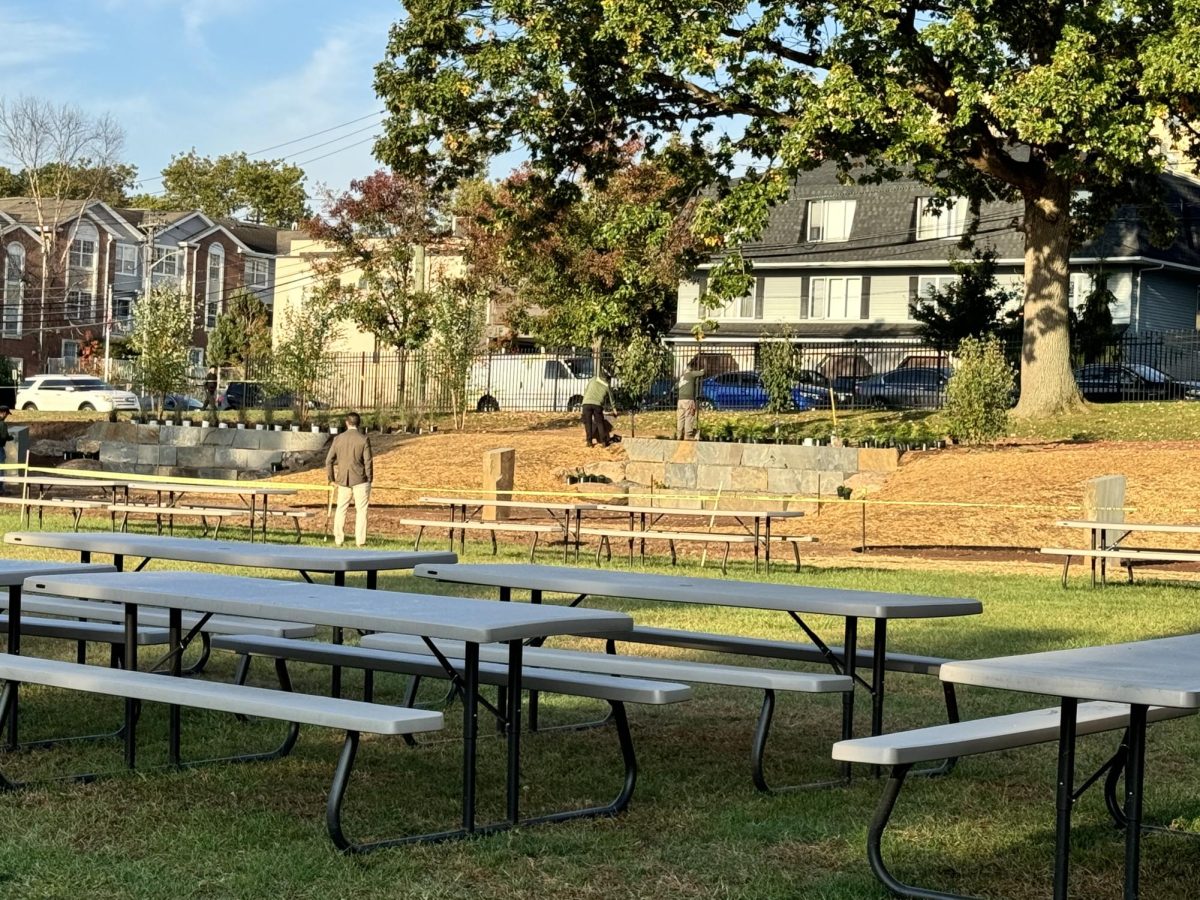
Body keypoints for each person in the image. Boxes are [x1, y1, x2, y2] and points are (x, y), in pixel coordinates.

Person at [325, 411, 373, 547]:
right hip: (360, 479)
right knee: (362, 510)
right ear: (359, 424)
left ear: (346, 423)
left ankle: (338, 539)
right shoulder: (363, 439)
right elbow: (368, 461)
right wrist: (369, 478)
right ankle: (360, 541)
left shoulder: (338, 439)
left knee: (341, 509)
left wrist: (331, 478)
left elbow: (329, 460)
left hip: (342, 480)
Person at [580, 370, 616, 447]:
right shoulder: (606, 385)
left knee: (588, 423)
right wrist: (614, 409)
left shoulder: (593, 379)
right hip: (597, 404)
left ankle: (589, 442)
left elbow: (586, 390)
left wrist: (584, 401)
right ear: (607, 378)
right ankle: (603, 442)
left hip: (586, 403)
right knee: (600, 422)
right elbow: (611, 397)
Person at [676, 365, 704, 440]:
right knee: (689, 416)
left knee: (680, 417)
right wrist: (701, 370)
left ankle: (679, 434)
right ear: (690, 370)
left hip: (680, 400)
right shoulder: (691, 374)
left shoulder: (682, 377)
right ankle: (688, 435)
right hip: (688, 399)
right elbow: (702, 373)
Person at [0, 406, 10, 493]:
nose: (6, 416)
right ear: (3, 413)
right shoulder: (2, 424)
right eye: (6, 414)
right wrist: (10, 437)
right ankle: (0, 489)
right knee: (1, 468)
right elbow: (3, 437)